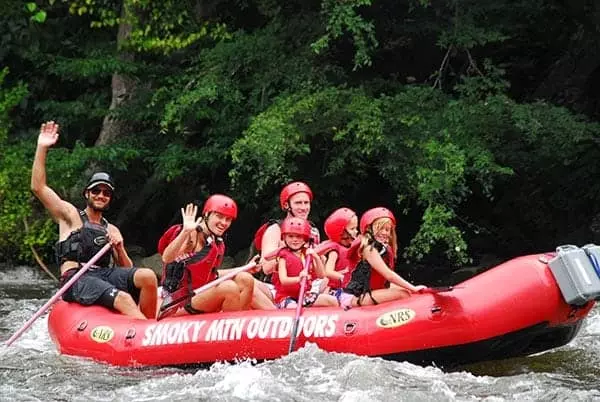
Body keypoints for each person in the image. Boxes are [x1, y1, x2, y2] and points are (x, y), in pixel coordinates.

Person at [31, 121, 158, 319]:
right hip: (76, 279)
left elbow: (127, 269)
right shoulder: (71, 216)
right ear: (87, 194)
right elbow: (38, 187)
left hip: (102, 276)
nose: (101, 195)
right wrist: (42, 147)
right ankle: (147, 333)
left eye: (106, 193)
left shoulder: (111, 228)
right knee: (124, 298)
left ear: (110, 198)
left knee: (148, 276)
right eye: (96, 191)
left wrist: (119, 246)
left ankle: (152, 327)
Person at [157, 195, 256, 316]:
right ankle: (230, 329)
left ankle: (240, 322)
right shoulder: (192, 234)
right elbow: (167, 257)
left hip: (199, 295)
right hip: (175, 302)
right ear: (207, 215)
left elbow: (212, 274)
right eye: (219, 216)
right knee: (229, 288)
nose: (223, 223)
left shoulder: (216, 241)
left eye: (228, 219)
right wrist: (185, 232)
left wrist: (245, 268)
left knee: (246, 279)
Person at [338, 207, 427, 309]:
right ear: (369, 229)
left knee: (406, 290)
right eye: (380, 228)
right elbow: (388, 275)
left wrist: (411, 289)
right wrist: (413, 288)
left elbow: (386, 282)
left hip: (367, 292)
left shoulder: (382, 248)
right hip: (352, 297)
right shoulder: (368, 249)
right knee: (403, 294)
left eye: (387, 230)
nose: (384, 233)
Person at [272, 217, 337, 308]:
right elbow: (283, 280)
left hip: (304, 295)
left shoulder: (307, 254)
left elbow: (321, 275)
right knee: (292, 307)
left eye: (298, 236)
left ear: (305, 238)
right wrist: (299, 279)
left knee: (331, 301)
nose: (295, 239)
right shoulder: (283, 256)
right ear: (284, 237)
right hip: (286, 297)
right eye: (290, 236)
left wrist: (316, 257)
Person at [316, 207, 359, 296]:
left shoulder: (353, 248)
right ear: (341, 232)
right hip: (336, 290)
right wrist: (343, 277)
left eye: (356, 228)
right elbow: (328, 271)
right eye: (352, 229)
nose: (356, 231)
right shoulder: (335, 251)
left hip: (349, 287)